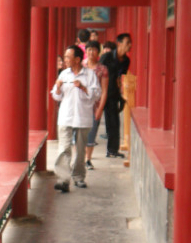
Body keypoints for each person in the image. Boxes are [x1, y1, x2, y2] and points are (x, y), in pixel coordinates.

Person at [51, 44, 100, 192]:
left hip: (82, 117)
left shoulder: (89, 75)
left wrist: (83, 88)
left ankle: (79, 177)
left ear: (77, 59)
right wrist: (57, 88)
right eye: (65, 57)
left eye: (68, 57)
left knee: (80, 150)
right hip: (65, 116)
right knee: (64, 148)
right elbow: (56, 96)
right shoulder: (64, 74)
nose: (65, 60)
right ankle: (63, 179)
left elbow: (97, 94)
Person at [99, 32, 132, 158]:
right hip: (100, 92)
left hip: (113, 94)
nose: (130, 45)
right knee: (93, 123)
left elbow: (120, 77)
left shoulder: (126, 60)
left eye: (130, 43)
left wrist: (121, 93)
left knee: (114, 122)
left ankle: (112, 150)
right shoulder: (106, 57)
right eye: (127, 42)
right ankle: (86, 153)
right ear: (119, 43)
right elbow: (97, 73)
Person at [83, 40, 108, 169]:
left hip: (95, 105)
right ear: (86, 51)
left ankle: (88, 159)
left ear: (98, 52)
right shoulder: (81, 66)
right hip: (80, 104)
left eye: (94, 49)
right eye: (89, 50)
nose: (91, 52)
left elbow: (104, 91)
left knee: (91, 133)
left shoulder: (102, 69)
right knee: (79, 132)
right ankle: (80, 158)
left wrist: (100, 108)